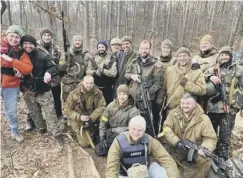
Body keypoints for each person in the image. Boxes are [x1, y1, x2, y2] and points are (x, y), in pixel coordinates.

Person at [20, 35, 64, 145]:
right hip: (28, 91)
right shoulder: (18, 55)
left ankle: (57, 134)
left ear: (35, 45)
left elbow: (54, 67)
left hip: (43, 90)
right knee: (35, 114)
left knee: (50, 114)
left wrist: (48, 73)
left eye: (30, 44)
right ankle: (42, 129)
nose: (28, 46)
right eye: (25, 43)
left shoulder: (43, 56)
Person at [162, 93, 217, 178]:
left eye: (188, 103)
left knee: (205, 159)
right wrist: (176, 141)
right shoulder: (173, 114)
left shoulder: (203, 119)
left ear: (195, 104)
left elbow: (210, 138)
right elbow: (166, 128)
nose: (184, 106)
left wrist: (204, 148)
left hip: (193, 149)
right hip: (176, 146)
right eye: (182, 103)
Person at [106, 115, 180, 178]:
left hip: (145, 171)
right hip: (125, 174)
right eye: (133, 129)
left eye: (140, 130)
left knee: (164, 174)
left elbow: (167, 160)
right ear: (129, 127)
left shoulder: (149, 140)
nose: (136, 133)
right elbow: (111, 167)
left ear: (144, 131)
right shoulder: (118, 142)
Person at [206, 46, 243, 160]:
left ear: (231, 56)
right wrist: (211, 76)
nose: (224, 57)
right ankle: (209, 156)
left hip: (230, 108)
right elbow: (202, 76)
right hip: (214, 107)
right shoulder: (213, 68)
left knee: (225, 135)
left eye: (226, 55)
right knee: (210, 133)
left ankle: (222, 158)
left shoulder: (238, 70)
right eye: (222, 55)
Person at [0, 25, 33, 142]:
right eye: (12, 36)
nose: (14, 39)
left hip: (11, 85)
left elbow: (27, 69)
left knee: (11, 111)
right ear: (6, 35)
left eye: (17, 37)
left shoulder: (20, 53)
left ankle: (15, 130)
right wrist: (14, 66)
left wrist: (12, 61)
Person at [125, 40, 163, 136]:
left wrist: (147, 92)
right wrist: (132, 76)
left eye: (146, 48)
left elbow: (158, 84)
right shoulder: (134, 62)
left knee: (147, 122)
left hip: (147, 99)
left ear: (150, 49)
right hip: (132, 98)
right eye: (142, 48)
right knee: (132, 120)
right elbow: (126, 74)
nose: (143, 50)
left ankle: (149, 139)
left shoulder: (156, 65)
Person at [96, 84, 140, 156]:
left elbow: (132, 129)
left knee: (122, 152)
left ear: (128, 95)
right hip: (110, 135)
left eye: (124, 94)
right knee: (100, 149)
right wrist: (102, 138)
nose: (121, 97)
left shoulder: (133, 110)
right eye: (120, 94)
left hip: (125, 136)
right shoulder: (111, 106)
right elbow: (103, 122)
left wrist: (114, 130)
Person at [63, 75, 106, 147]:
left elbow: (102, 106)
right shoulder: (74, 94)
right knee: (85, 144)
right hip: (79, 118)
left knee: (104, 117)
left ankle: (102, 133)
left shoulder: (98, 93)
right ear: (82, 82)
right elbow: (66, 109)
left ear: (93, 83)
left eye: (91, 83)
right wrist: (79, 117)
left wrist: (92, 117)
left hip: (92, 117)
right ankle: (75, 129)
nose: (89, 85)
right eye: (87, 83)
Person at [165, 47, 206, 113]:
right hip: (171, 110)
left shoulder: (196, 72)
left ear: (189, 57)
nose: (182, 58)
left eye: (184, 56)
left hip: (188, 111)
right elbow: (164, 88)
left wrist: (187, 84)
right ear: (177, 58)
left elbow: (202, 90)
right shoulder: (169, 70)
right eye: (180, 56)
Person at [61, 35, 91, 102]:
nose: (77, 42)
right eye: (76, 40)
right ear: (72, 42)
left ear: (82, 42)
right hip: (69, 84)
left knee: (81, 103)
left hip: (81, 82)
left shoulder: (86, 54)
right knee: (68, 103)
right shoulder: (67, 53)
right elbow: (61, 68)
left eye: (79, 40)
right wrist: (66, 60)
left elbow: (88, 68)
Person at [86, 40, 117, 105]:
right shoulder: (93, 59)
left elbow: (114, 73)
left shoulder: (111, 58)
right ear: (97, 48)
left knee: (108, 104)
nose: (101, 49)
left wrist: (102, 71)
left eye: (103, 47)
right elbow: (87, 71)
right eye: (99, 47)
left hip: (108, 87)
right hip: (96, 86)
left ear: (106, 47)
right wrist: (94, 72)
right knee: (97, 104)